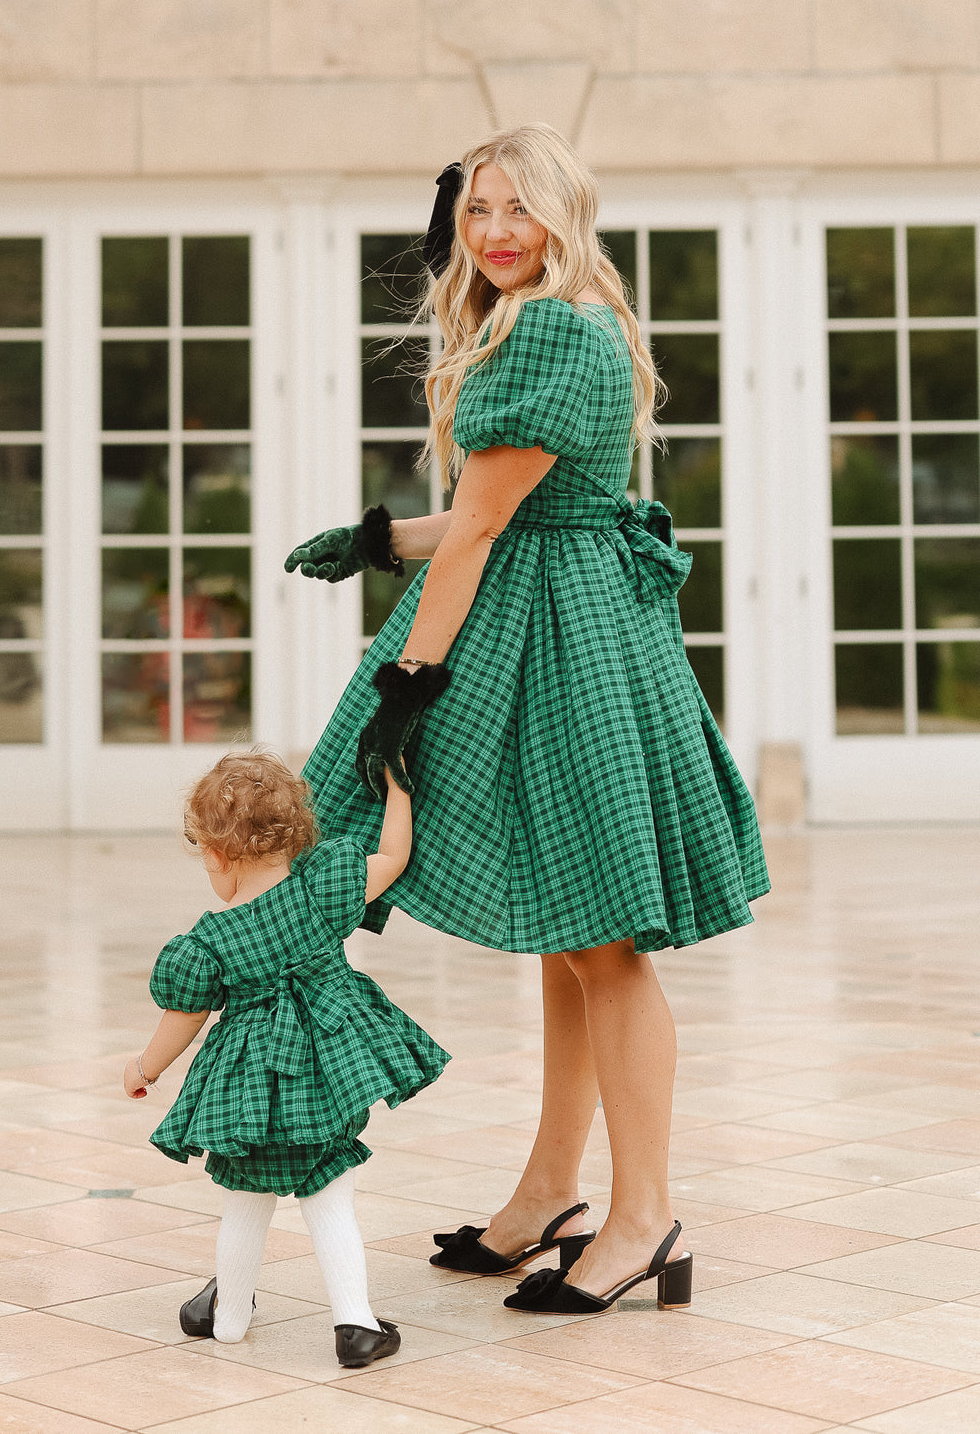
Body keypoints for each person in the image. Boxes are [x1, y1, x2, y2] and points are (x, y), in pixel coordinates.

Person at [284, 122, 770, 1316]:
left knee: (604, 943)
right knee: (575, 932)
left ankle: (644, 1216)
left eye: (520, 209)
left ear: (565, 213)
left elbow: (493, 525)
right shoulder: (580, 320)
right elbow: (508, 508)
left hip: (560, 645)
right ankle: (552, 1191)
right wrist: (378, 540)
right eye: (479, 210)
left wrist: (407, 694)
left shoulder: (548, 329)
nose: (496, 232)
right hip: (576, 625)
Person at [122, 747, 449, 1366]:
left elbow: (183, 1018)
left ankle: (230, 1316)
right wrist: (398, 789)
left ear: (216, 855)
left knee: (244, 1199)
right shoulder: (324, 890)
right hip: (324, 1082)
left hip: (246, 1096)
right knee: (330, 1195)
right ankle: (355, 1324)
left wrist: (145, 1068)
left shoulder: (208, 945)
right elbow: (394, 857)